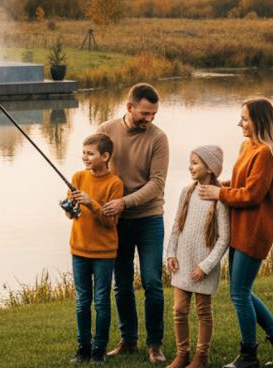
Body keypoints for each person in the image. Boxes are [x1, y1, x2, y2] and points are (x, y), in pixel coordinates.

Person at [198, 98, 273, 368]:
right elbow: (243, 184)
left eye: (244, 119)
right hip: (239, 228)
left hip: (254, 231)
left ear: (259, 121)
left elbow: (253, 195)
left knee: (239, 294)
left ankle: (248, 355)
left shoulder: (265, 152)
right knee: (242, 290)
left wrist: (220, 193)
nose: (239, 123)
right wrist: (221, 185)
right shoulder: (248, 146)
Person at [99, 83, 170, 363]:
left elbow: (157, 184)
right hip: (117, 221)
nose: (149, 119)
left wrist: (125, 202)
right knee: (122, 285)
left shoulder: (158, 138)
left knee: (152, 282)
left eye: (153, 114)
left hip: (149, 218)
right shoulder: (105, 130)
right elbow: (94, 169)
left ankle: (155, 344)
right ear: (129, 107)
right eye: (144, 113)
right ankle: (128, 340)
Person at [165, 145, 229, 368]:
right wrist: (170, 253)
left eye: (195, 163)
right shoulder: (187, 192)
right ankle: (182, 354)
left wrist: (206, 266)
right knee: (179, 310)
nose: (190, 167)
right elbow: (176, 226)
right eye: (190, 162)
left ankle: (201, 357)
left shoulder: (219, 199)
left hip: (204, 266)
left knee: (203, 311)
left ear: (210, 168)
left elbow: (224, 239)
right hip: (182, 262)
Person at [64, 133, 125, 364]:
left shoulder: (114, 184)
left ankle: (99, 349)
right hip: (78, 249)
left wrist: (91, 202)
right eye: (84, 153)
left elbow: (110, 222)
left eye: (90, 154)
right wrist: (70, 207)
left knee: (101, 300)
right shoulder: (77, 177)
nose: (85, 158)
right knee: (82, 301)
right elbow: (72, 215)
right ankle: (83, 348)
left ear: (105, 156)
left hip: (103, 253)